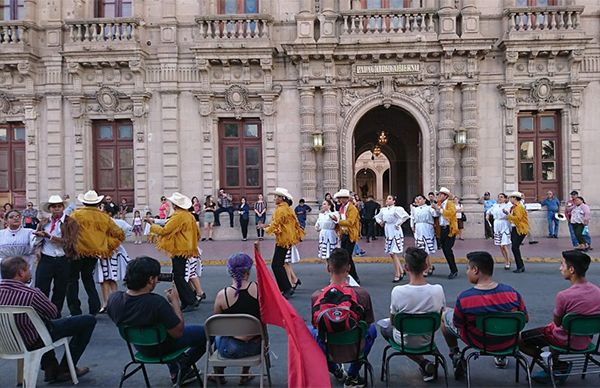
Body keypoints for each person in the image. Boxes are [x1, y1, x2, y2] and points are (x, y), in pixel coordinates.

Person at [107, 256, 205, 385]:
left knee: (162, 329)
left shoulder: (114, 299)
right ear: (151, 280)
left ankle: (176, 370)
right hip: (162, 346)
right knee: (208, 332)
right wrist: (175, 303)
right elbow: (178, 332)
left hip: (140, 346)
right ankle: (183, 366)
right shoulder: (156, 303)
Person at [0, 256, 96, 383]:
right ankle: (65, 368)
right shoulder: (32, 294)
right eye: (28, 269)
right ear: (20, 273)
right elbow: (53, 313)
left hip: (5, 342)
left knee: (38, 325)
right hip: (31, 340)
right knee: (88, 321)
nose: (30, 272)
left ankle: (51, 367)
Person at [441, 251, 528, 378]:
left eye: (467, 268)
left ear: (475, 270)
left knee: (444, 316)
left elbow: (458, 324)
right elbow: (524, 319)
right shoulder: (512, 293)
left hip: (478, 341)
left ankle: (455, 354)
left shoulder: (465, 298)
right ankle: (501, 355)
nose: (466, 272)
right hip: (508, 340)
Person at [520, 250, 600, 383]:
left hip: (565, 340)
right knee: (551, 332)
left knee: (519, 340)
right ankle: (556, 366)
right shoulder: (598, 292)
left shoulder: (564, 295)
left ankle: (555, 365)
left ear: (572, 269)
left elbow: (557, 323)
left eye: (562, 265)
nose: (560, 268)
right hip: (585, 341)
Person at [309, 248, 377, 388]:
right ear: (349, 268)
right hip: (355, 347)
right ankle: (353, 374)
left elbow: (317, 325)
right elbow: (368, 322)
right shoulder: (363, 294)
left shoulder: (317, 296)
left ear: (328, 268)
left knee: (309, 332)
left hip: (329, 347)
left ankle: (335, 370)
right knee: (371, 331)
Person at [380, 247, 445, 382]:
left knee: (384, 328)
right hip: (428, 338)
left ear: (406, 267)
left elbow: (393, 321)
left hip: (405, 340)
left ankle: (422, 363)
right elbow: (441, 312)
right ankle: (425, 363)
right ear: (426, 266)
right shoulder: (438, 290)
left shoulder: (398, 291)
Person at [68, 190, 125, 316]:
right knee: (88, 279)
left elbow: (66, 231)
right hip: (94, 252)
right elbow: (120, 234)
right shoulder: (104, 217)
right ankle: (94, 307)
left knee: (72, 281)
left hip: (77, 252)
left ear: (84, 202)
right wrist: (107, 245)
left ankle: (75, 310)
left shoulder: (76, 215)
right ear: (97, 203)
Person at [210, 253, 261, 385]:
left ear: (230, 271)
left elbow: (215, 323)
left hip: (228, 349)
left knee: (218, 335)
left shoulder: (222, 295)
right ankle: (245, 374)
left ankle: (218, 374)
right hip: (255, 347)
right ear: (249, 271)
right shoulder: (259, 290)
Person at [146, 192, 201, 310]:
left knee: (178, 276)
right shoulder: (189, 215)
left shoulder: (178, 216)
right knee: (179, 275)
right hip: (186, 248)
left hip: (179, 249)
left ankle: (191, 300)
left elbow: (165, 230)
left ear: (175, 205)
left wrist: (152, 225)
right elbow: (198, 233)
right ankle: (189, 300)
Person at [33, 195, 79, 315]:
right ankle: (41, 313)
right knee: (41, 288)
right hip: (46, 258)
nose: (56, 209)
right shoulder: (44, 222)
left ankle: (55, 313)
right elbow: (37, 240)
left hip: (63, 259)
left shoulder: (71, 222)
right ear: (50, 208)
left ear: (63, 207)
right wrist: (38, 237)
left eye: (59, 206)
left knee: (60, 289)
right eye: (54, 206)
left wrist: (50, 237)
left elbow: (70, 241)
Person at [259, 187, 303, 299]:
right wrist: (267, 226)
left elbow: (276, 224)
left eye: (277, 197)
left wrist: (265, 229)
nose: (274, 199)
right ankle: (286, 287)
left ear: (282, 198)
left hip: (283, 240)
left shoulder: (281, 209)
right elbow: (282, 224)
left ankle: (286, 288)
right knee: (278, 264)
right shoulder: (287, 208)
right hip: (286, 239)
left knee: (276, 264)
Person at [96, 209, 132, 314]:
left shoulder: (115, 223)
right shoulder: (99, 223)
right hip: (101, 252)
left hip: (111, 253)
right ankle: (106, 303)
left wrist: (116, 243)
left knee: (111, 278)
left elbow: (127, 229)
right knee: (104, 279)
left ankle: (114, 303)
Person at [375, 195, 410, 282]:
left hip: (395, 230)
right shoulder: (383, 210)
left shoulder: (397, 209)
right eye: (387, 198)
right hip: (388, 229)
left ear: (394, 201)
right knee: (391, 253)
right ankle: (401, 271)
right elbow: (377, 217)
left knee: (393, 252)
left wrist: (398, 223)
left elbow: (405, 216)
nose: (387, 200)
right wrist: (381, 222)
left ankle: (398, 273)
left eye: (389, 199)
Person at [334, 189, 362, 284]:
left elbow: (350, 222)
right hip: (344, 234)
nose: (339, 200)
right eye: (339, 198)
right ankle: (348, 276)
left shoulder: (352, 209)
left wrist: (338, 221)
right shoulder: (342, 208)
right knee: (345, 256)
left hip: (350, 234)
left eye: (341, 198)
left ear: (346, 199)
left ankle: (354, 277)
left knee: (347, 256)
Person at [0, 210, 36, 278]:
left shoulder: (29, 232)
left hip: (24, 267)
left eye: (18, 216)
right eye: (11, 217)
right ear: (6, 220)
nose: (15, 218)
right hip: (5, 267)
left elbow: (36, 243)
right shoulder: (1, 234)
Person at [432, 187, 459, 279]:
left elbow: (451, 213)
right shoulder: (439, 204)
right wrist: (435, 208)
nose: (438, 196)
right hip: (442, 229)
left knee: (447, 249)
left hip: (449, 229)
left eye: (440, 194)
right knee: (445, 249)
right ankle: (453, 269)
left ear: (445, 196)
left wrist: (438, 209)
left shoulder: (450, 203)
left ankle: (454, 270)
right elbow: (437, 215)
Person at [410, 194, 437, 276]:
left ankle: (427, 267)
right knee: (421, 249)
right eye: (417, 199)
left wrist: (435, 207)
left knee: (426, 249)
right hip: (418, 228)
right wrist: (412, 226)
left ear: (425, 200)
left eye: (420, 199)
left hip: (427, 228)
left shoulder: (428, 208)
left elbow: (435, 214)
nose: (418, 200)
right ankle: (429, 266)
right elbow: (412, 218)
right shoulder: (414, 209)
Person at [487, 193, 512, 270]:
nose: (500, 198)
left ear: (505, 198)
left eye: (501, 197)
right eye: (499, 197)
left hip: (504, 224)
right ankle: (506, 260)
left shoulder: (508, 205)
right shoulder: (495, 205)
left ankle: (508, 261)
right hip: (497, 224)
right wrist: (487, 214)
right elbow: (489, 211)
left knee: (504, 244)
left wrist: (507, 213)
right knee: (500, 246)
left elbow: (509, 213)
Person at [505, 191, 529, 273]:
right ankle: (520, 266)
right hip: (515, 228)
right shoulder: (514, 207)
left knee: (514, 247)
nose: (510, 199)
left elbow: (517, 218)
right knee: (515, 247)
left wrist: (508, 215)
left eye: (511, 197)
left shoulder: (519, 207)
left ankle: (520, 266)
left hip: (520, 229)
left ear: (515, 198)